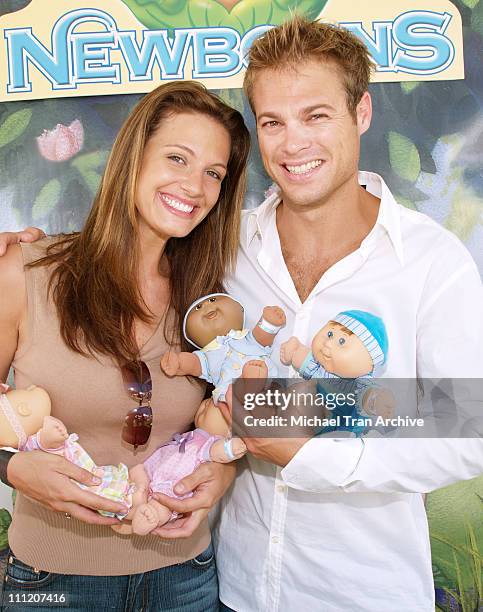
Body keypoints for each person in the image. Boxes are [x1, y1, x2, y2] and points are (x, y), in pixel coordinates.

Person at [2, 15, 483, 612]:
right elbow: (222, 400)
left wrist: (313, 450)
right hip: (232, 586)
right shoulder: (224, 254)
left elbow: (466, 423)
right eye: (273, 122)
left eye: (316, 115)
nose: (293, 143)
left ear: (361, 113)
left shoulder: (432, 261)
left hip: (365, 591)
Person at [0, 80, 250, 611]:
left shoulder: (209, 305)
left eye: (214, 174)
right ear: (134, 157)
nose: (195, 186)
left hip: (186, 578)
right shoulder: (26, 273)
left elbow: (226, 421)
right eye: (177, 158)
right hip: (54, 582)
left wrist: (222, 472)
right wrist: (10, 468)